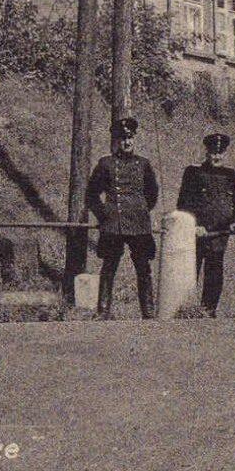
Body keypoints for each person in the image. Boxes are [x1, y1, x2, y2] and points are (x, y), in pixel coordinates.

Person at [87, 116, 160, 319]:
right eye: (122, 138)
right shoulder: (106, 164)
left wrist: (142, 209)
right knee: (109, 266)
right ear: (116, 141)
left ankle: (148, 311)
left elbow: (152, 193)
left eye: (130, 138)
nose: (127, 142)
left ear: (134, 139)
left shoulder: (144, 164)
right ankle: (103, 311)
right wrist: (104, 215)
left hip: (138, 224)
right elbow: (91, 195)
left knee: (143, 268)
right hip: (114, 224)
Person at [178, 132, 235, 317]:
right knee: (189, 271)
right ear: (206, 152)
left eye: (221, 153)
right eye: (213, 152)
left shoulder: (229, 174)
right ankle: (183, 310)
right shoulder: (193, 172)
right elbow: (183, 203)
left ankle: (209, 311)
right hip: (197, 233)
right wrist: (193, 225)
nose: (217, 157)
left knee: (215, 272)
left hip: (220, 233)